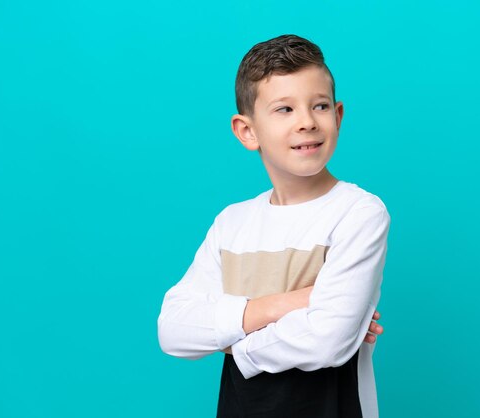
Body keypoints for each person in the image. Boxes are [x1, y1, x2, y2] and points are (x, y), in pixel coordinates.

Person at [158, 34, 390, 418]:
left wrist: (232, 342)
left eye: (319, 105)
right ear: (247, 131)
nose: (306, 122)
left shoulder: (359, 212)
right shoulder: (232, 222)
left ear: (338, 115)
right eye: (284, 109)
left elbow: (327, 341)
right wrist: (291, 304)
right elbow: (173, 330)